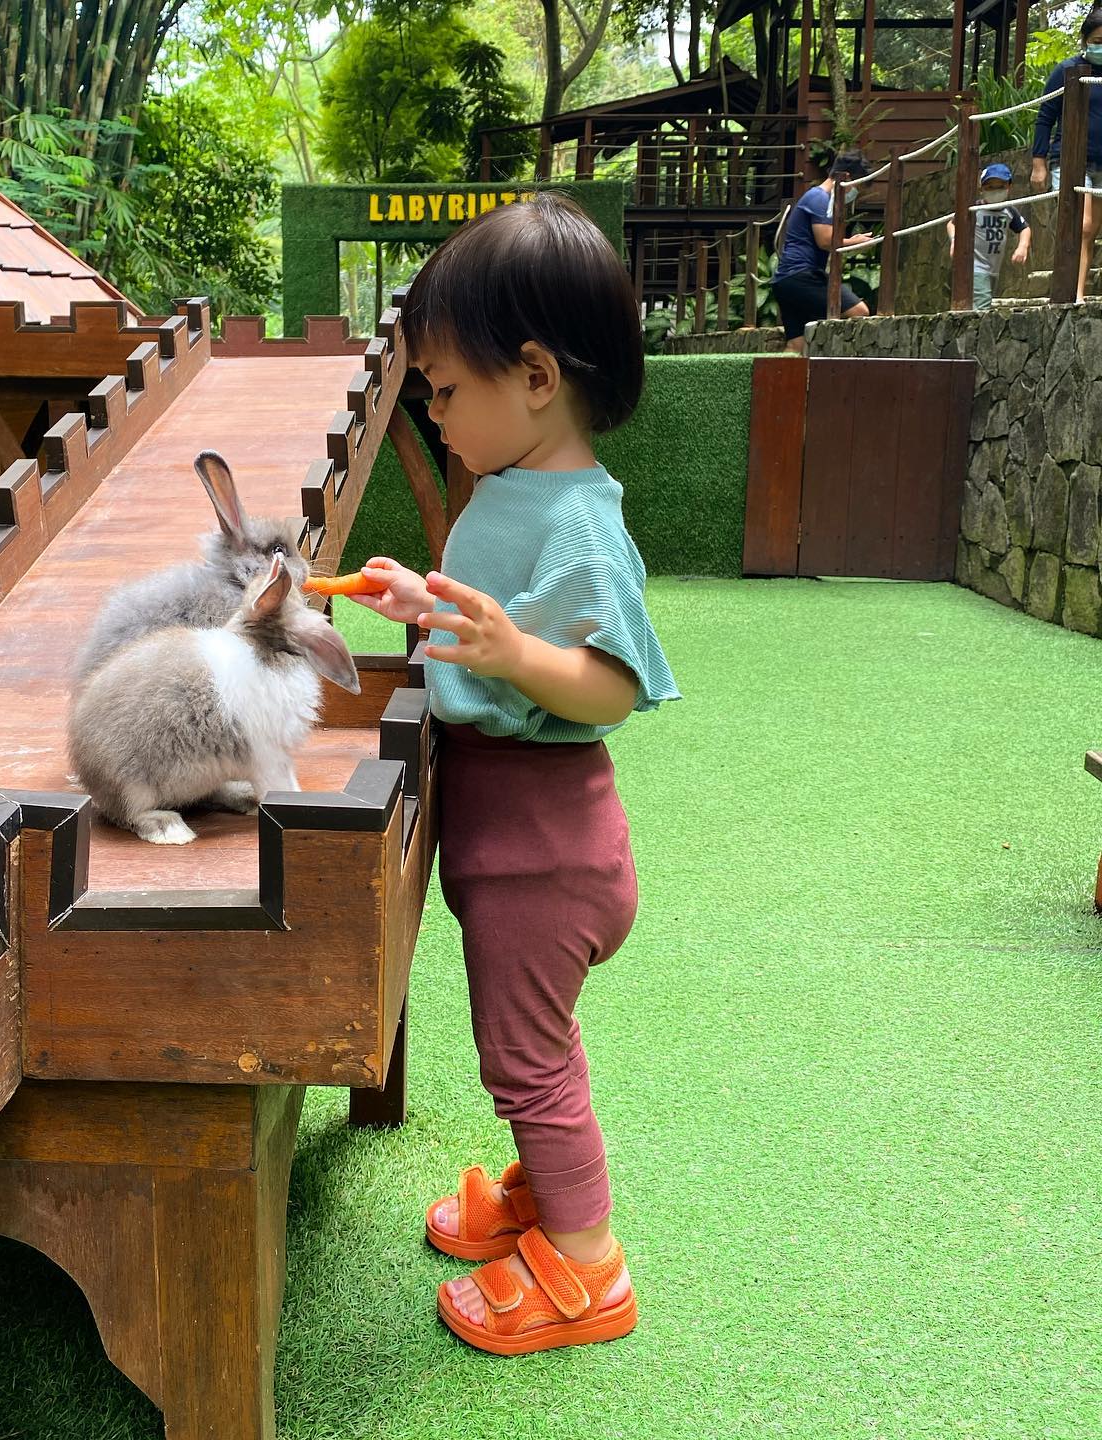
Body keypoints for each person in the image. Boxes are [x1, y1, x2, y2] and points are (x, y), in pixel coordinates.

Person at [352, 192, 680, 1356]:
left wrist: (512, 656)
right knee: (534, 1051)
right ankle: (549, 1191)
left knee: (526, 1061)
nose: (434, 414)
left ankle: (590, 1267)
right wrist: (426, 604)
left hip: (547, 855)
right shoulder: (513, 490)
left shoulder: (584, 521)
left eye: (445, 391)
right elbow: (499, 617)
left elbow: (613, 684)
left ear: (535, 377)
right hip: (520, 847)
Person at [771, 150, 879, 353]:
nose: (855, 193)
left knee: (796, 345)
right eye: (856, 187)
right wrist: (854, 242)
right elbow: (825, 240)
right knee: (860, 310)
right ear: (846, 178)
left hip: (785, 279)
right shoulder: (820, 198)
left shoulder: (816, 197)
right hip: (802, 275)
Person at [1032, 7, 1102, 303]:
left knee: (1090, 231)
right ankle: (1069, 293)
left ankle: (1078, 293)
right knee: (1080, 225)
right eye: (1097, 41)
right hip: (1071, 160)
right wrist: (1038, 162)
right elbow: (1045, 117)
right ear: (1085, 40)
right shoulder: (1067, 70)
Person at [947, 162, 1032, 309]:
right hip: (975, 266)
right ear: (981, 189)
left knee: (978, 302)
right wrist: (955, 241)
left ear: (1009, 187)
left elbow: (1024, 228)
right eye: (990, 187)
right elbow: (952, 224)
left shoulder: (1009, 211)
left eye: (1000, 186)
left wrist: (1022, 247)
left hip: (993, 269)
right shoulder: (975, 209)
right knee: (983, 302)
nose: (995, 191)